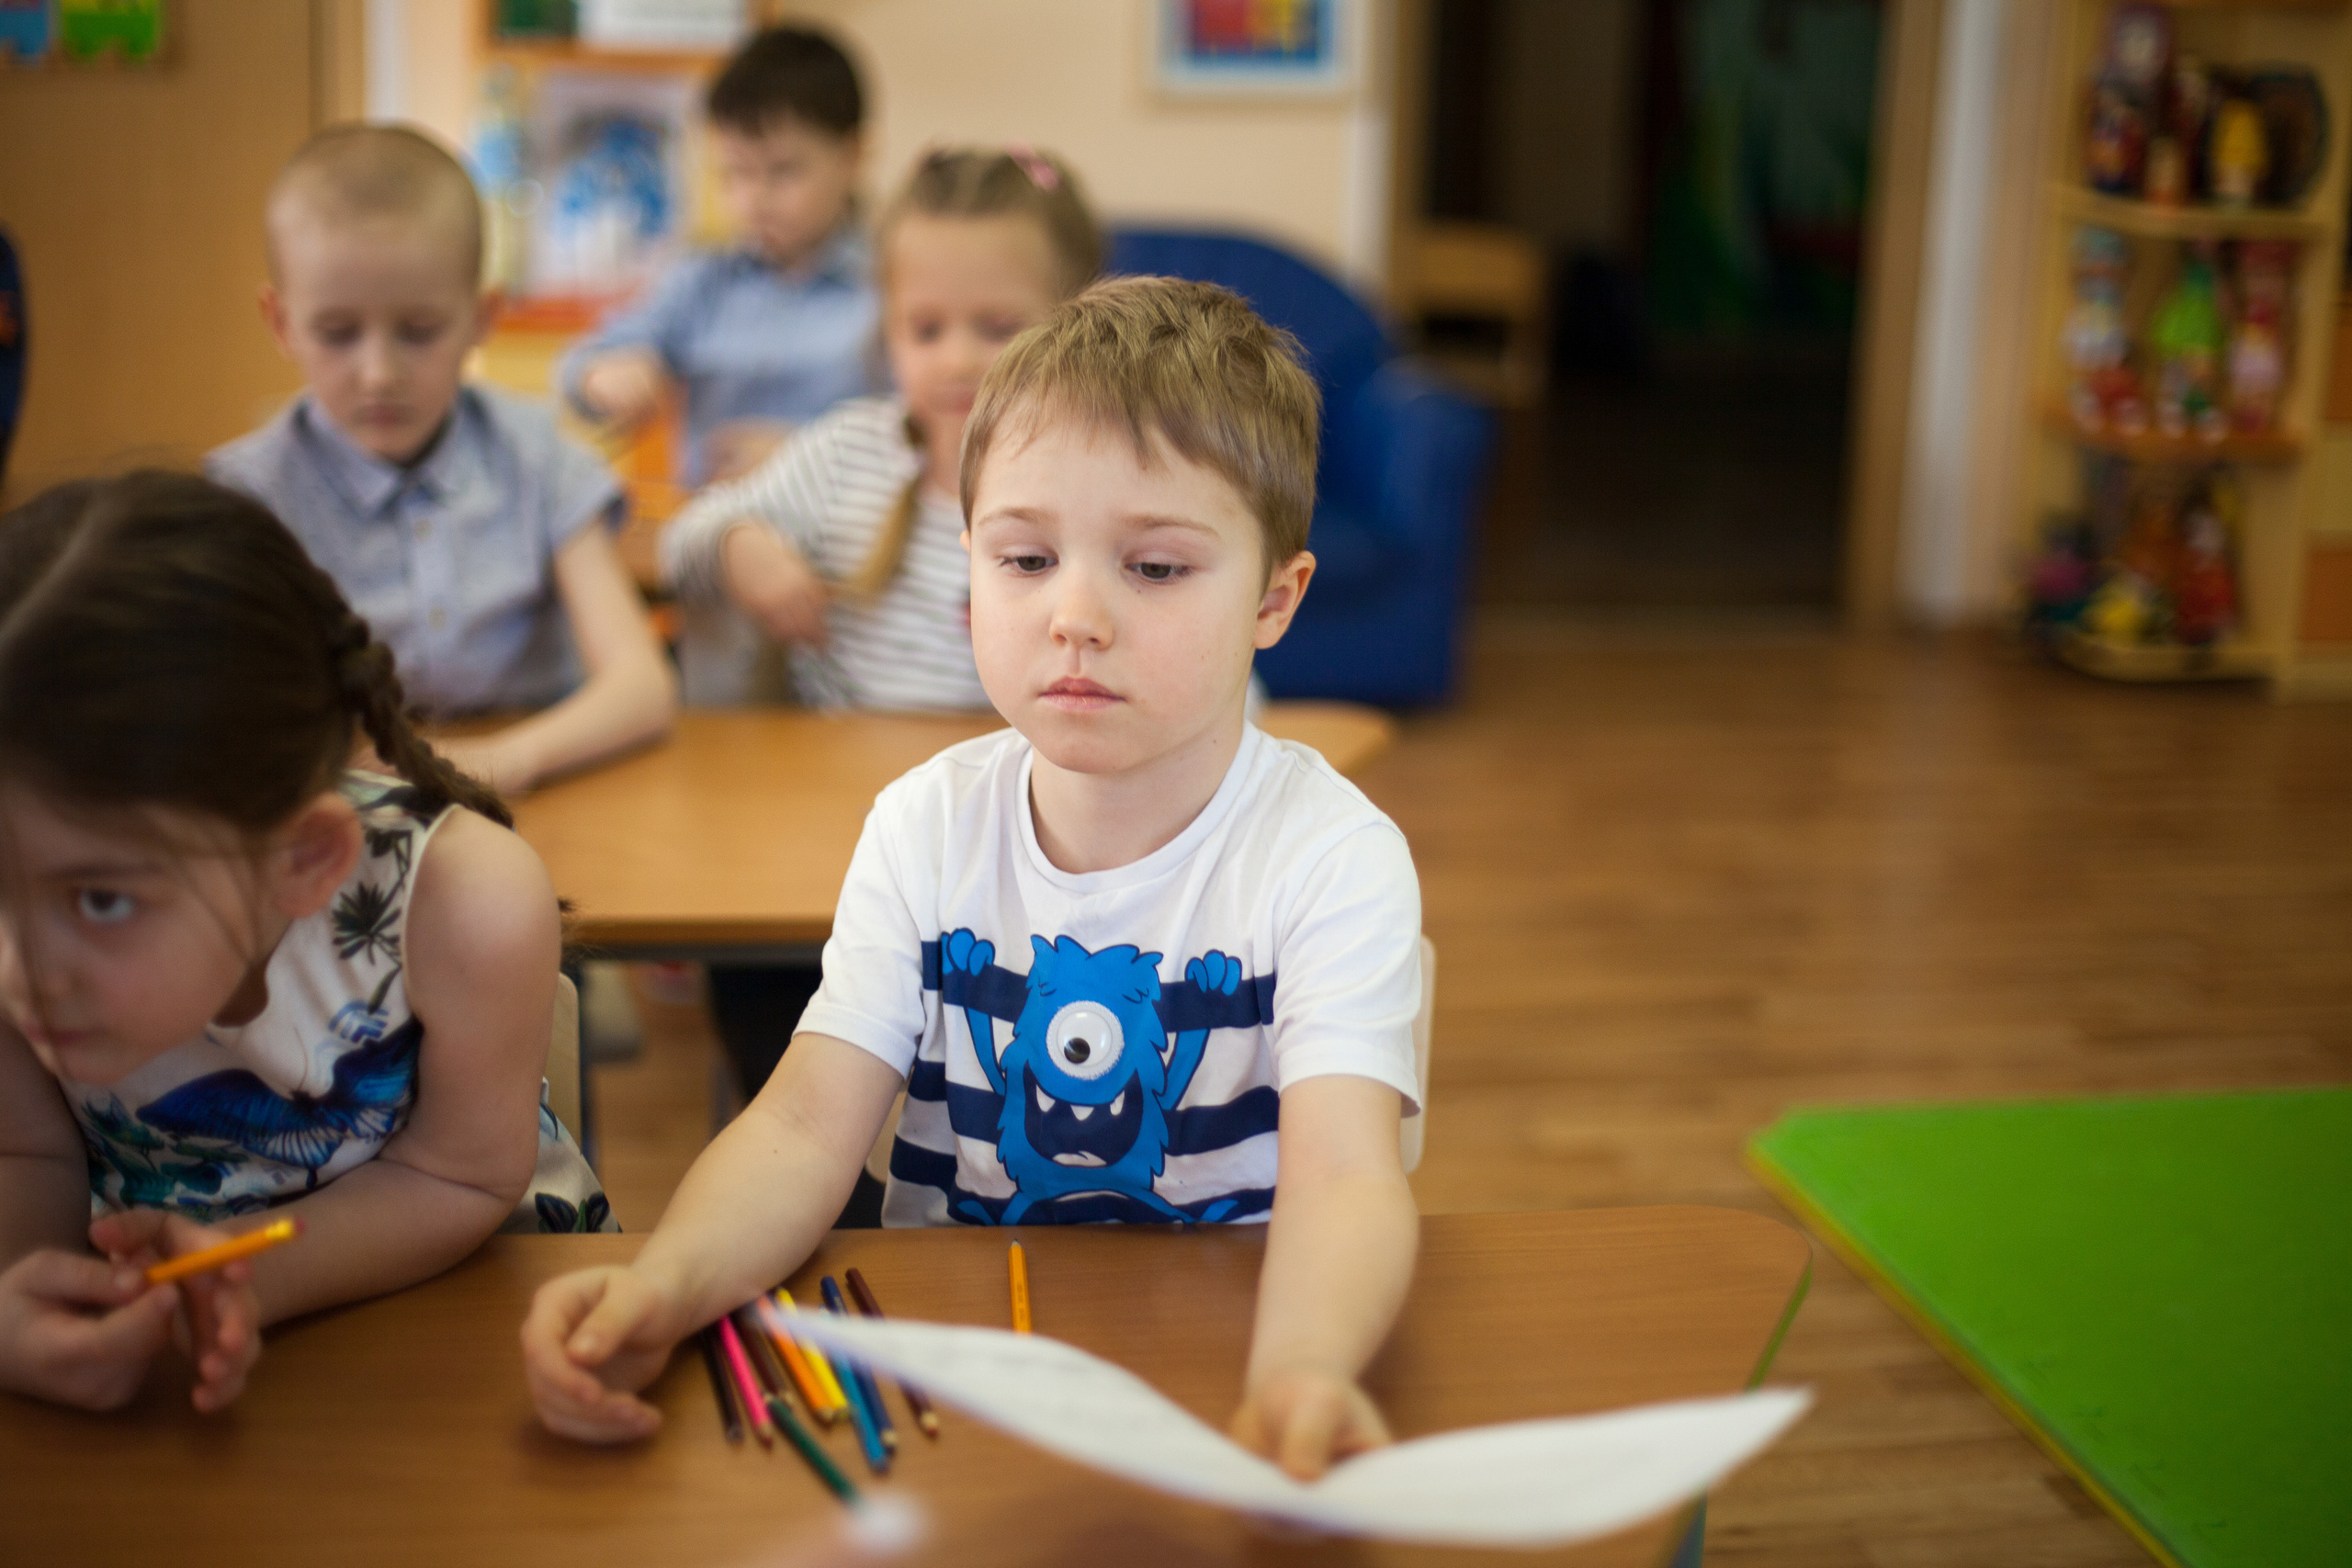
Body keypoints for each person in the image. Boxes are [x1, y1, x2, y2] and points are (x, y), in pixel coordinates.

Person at [523, 278, 1423, 1483]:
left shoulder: (1331, 855)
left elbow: (1346, 1174)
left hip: (1227, 1366)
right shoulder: (925, 823)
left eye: (1155, 566)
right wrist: (668, 1278)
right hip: (953, 1384)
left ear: (1274, 598)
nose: (1075, 615)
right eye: (1027, 556)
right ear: (970, 569)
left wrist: (1305, 1369)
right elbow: (802, 1126)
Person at [0, 473, 614, 1416]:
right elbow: (27, 1159)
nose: (21, 977)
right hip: (161, 1353)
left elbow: (456, 1173)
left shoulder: (469, 903)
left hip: (477, 1311)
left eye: (102, 901)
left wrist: (243, 1283)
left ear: (302, 859)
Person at [662, 146, 1100, 1109]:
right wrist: (743, 544)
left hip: (1035, 858)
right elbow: (681, 541)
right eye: (924, 326)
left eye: (997, 326)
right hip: (847, 852)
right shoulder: (853, 457)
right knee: (766, 982)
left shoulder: (1104, 485)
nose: (956, 357)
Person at [209, 124, 675, 799]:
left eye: (420, 331)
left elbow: (643, 688)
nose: (378, 373)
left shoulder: (538, 456)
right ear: (280, 322)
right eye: (337, 333)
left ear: (483, 315)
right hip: (341, 805)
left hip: (543, 791)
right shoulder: (247, 497)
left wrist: (507, 758)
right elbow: (225, 716)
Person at [560, 24, 877, 486]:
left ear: (854, 156)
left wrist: (807, 455)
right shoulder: (701, 280)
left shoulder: (889, 287)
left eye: (783, 172)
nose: (753, 200)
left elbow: (925, 433)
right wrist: (605, 375)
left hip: (850, 539)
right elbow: (580, 366)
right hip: (709, 532)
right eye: (735, 174)